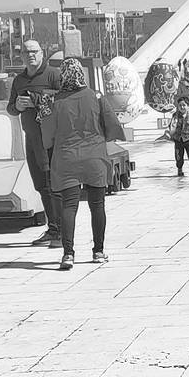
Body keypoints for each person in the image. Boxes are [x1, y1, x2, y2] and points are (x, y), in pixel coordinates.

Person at [46, 59, 125, 270]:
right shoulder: (96, 96)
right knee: (97, 205)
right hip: (94, 158)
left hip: (67, 158)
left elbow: (47, 135)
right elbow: (112, 125)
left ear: (63, 75)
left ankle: (68, 254)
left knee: (69, 206)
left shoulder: (54, 101)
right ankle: (98, 251)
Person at [7, 40, 63, 245]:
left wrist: (37, 101)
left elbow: (64, 100)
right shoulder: (19, 80)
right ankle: (53, 227)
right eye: (26, 52)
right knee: (40, 184)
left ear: (42, 53)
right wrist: (18, 107)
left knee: (52, 184)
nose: (30, 55)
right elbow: (10, 108)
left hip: (50, 138)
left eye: (34, 51)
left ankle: (60, 229)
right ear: (21, 56)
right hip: (31, 137)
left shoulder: (53, 75)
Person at [169, 96, 189, 176]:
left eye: (184, 105)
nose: (182, 107)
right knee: (179, 156)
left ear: (188, 106)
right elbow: (171, 125)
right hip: (178, 139)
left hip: (188, 139)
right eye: (180, 105)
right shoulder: (175, 115)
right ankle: (179, 169)